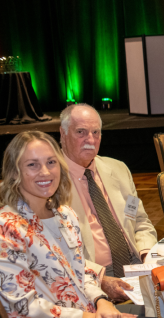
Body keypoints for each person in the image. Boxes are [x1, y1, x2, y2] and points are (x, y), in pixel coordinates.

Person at [0, 131, 132, 318]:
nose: (45, 172)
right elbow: (22, 308)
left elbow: (80, 271)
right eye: (32, 165)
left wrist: (101, 301)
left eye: (51, 162)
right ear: (14, 172)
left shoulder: (66, 215)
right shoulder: (6, 227)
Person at [60, 104, 157, 282]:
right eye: (81, 132)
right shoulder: (51, 182)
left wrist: (146, 253)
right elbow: (56, 252)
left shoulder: (118, 169)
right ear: (63, 134)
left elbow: (139, 220)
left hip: (135, 266)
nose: (90, 139)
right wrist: (101, 279)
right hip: (89, 279)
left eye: (95, 132)